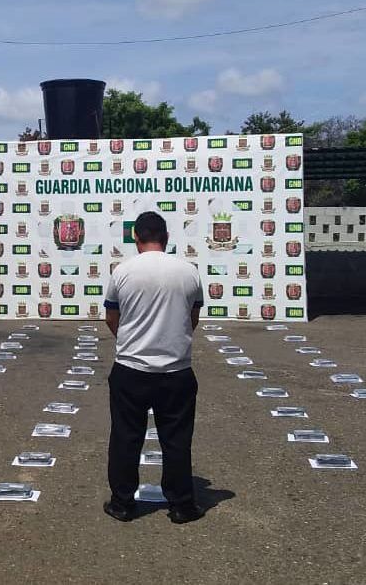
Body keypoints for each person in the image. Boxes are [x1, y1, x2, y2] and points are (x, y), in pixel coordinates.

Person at [102, 210, 204, 524]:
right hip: (176, 370)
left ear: (136, 237)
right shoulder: (189, 272)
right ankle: (182, 505)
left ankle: (122, 503)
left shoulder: (123, 271)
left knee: (125, 437)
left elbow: (111, 318)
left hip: (131, 368)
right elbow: (193, 319)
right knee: (176, 440)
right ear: (166, 237)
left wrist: (133, 342)